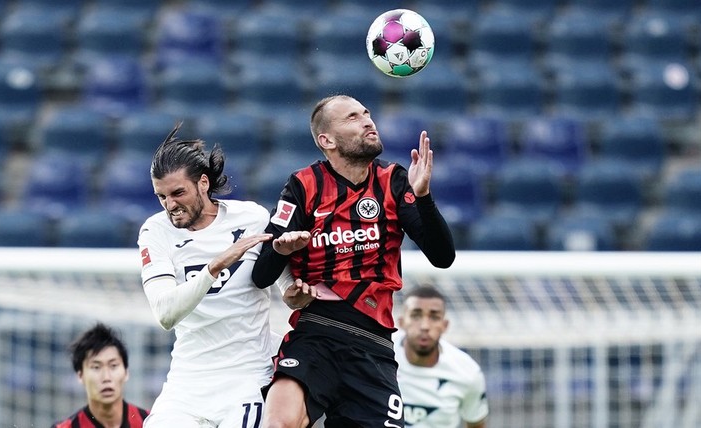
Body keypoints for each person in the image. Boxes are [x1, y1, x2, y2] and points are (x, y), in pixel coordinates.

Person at [251, 94, 456, 428]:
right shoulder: (304, 186)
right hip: (317, 333)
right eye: (352, 117)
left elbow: (443, 256)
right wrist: (282, 250)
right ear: (326, 140)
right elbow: (261, 276)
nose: (367, 121)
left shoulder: (393, 181)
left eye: (367, 113)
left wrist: (423, 198)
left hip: (373, 347)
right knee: (279, 422)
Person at [137, 124, 282, 427]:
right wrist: (214, 268)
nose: (170, 206)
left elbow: (284, 281)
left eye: (178, 193)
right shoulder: (155, 231)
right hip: (187, 383)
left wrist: (297, 291)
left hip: (246, 378)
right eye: (161, 196)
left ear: (203, 183)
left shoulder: (252, 217)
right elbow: (165, 314)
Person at [396, 285, 488, 428]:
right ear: (401, 322)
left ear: (444, 325)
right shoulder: (378, 357)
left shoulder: (467, 372)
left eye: (434, 317)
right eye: (416, 315)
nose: (425, 326)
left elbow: (476, 424)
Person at [52, 322, 149, 428]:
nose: (106, 377)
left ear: (126, 372)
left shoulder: (151, 422)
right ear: (80, 375)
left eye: (113, 366)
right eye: (96, 367)